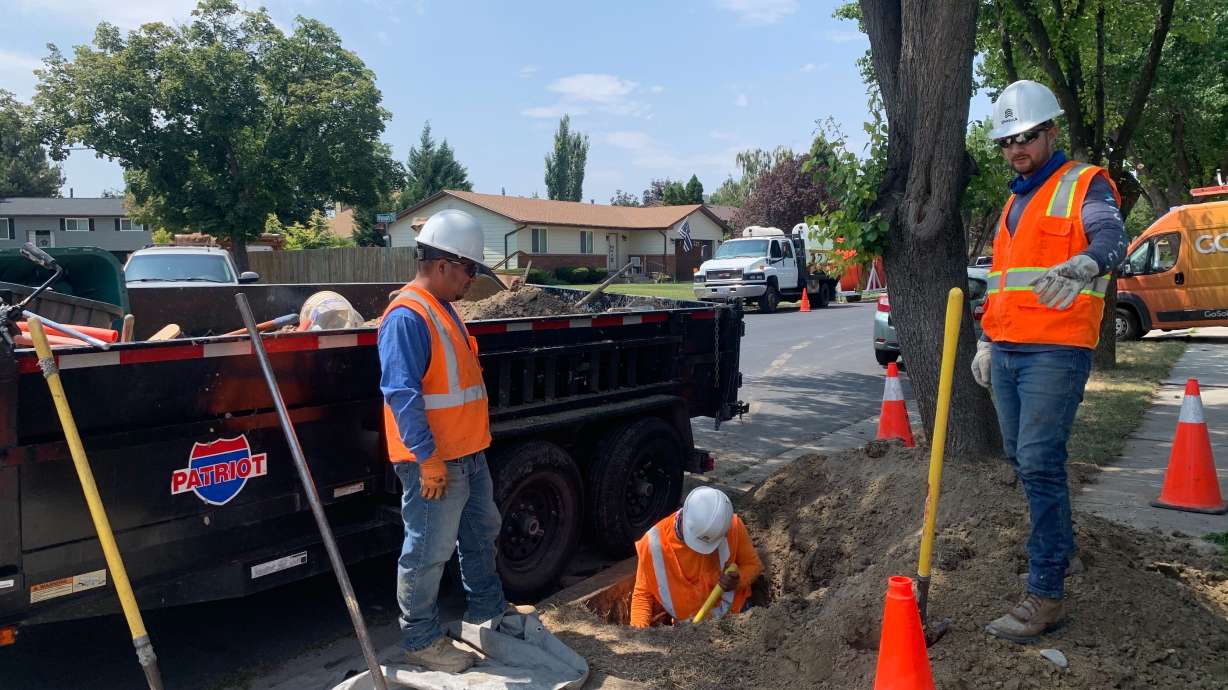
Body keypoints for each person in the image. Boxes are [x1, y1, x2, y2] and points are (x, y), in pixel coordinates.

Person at [973, 80, 1128, 643]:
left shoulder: (1083, 184)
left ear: (1052, 132)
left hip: (1056, 350)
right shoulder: (1015, 201)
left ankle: (1046, 593)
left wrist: (1086, 265)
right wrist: (987, 339)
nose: (1017, 148)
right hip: (1009, 349)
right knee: (1021, 457)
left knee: (1039, 462)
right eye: (1008, 140)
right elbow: (1002, 282)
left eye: (1028, 136)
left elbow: (1113, 239)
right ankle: (1062, 553)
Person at [378, 208, 509, 672]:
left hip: (468, 454)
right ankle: (420, 637)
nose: (472, 279)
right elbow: (401, 394)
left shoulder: (442, 309)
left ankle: (488, 612)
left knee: (480, 533)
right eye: (470, 269)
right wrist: (428, 459)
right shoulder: (408, 317)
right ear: (443, 265)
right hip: (436, 462)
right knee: (427, 551)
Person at [630, 487, 763, 628]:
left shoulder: (732, 527)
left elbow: (754, 565)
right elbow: (643, 595)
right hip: (689, 632)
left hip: (736, 619)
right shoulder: (653, 544)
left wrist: (738, 580)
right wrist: (638, 635)